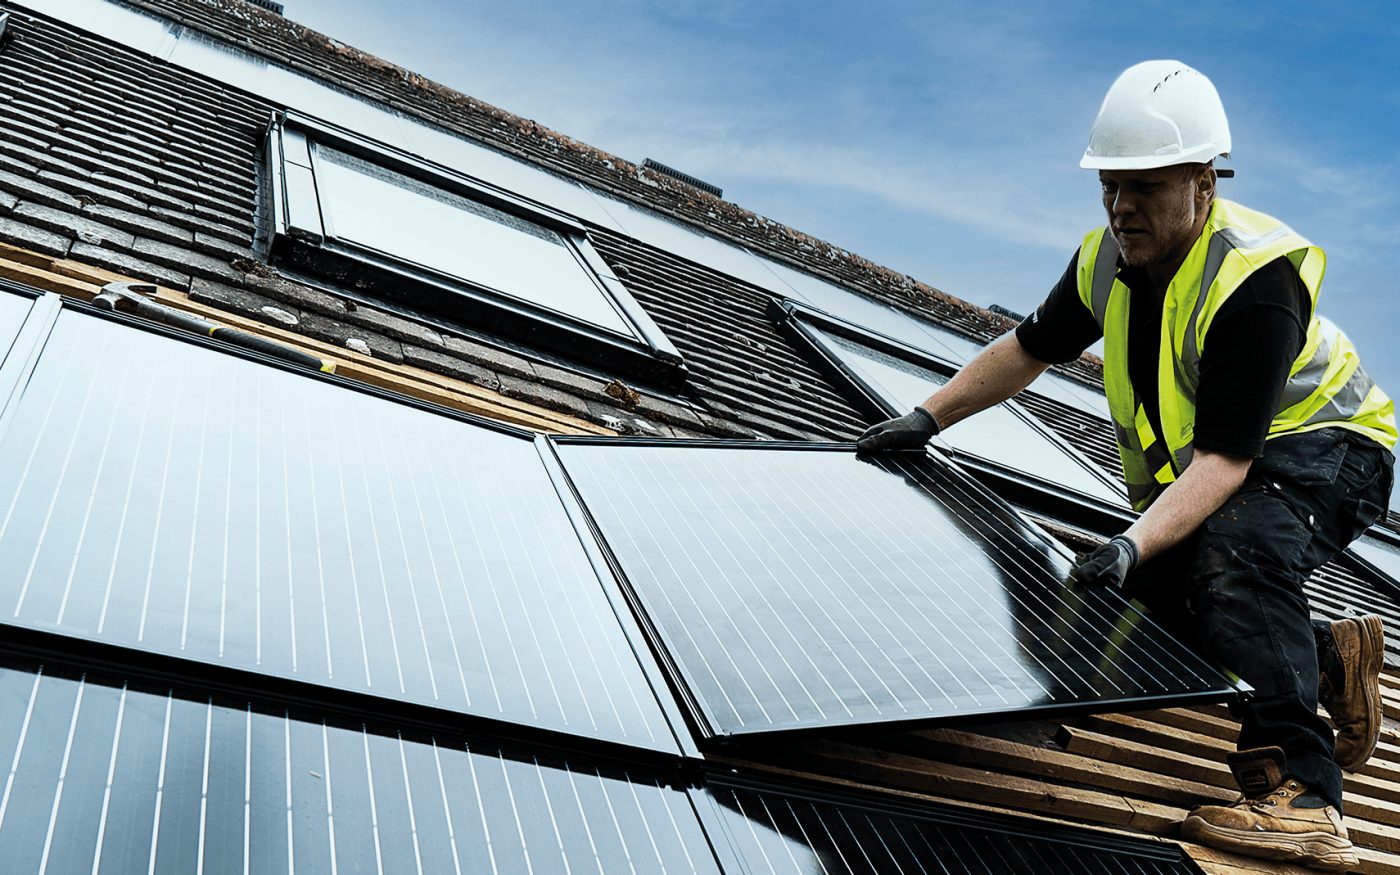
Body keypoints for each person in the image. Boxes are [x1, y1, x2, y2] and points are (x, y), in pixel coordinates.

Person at [857, 60, 1396, 872]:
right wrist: (927, 416)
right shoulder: (1107, 261)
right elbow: (1025, 350)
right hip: (1243, 465)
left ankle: (1307, 796)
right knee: (1144, 598)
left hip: (1338, 445)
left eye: (1142, 187)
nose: (1120, 206)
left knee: (1233, 553)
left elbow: (1221, 462)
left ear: (1202, 180)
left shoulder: (1256, 284)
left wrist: (1131, 540)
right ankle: (1324, 657)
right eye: (1110, 185)